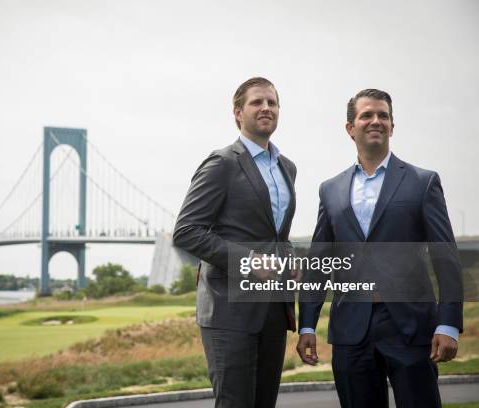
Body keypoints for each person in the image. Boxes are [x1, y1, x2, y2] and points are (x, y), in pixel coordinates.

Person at [296, 89, 464, 408]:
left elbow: (446, 258)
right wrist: (307, 324)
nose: (376, 121)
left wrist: (449, 323)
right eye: (367, 115)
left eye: (383, 116)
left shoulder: (423, 182)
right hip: (350, 330)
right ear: (350, 128)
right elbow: (318, 263)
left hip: (411, 327)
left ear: (392, 126)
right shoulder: (330, 190)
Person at [173, 77, 297, 408]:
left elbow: (274, 235)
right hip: (228, 310)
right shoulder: (222, 164)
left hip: (273, 309)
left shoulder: (288, 168)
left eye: (272, 102)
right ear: (238, 113)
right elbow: (186, 231)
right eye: (257, 102)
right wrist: (249, 260)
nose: (266, 108)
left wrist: (290, 260)